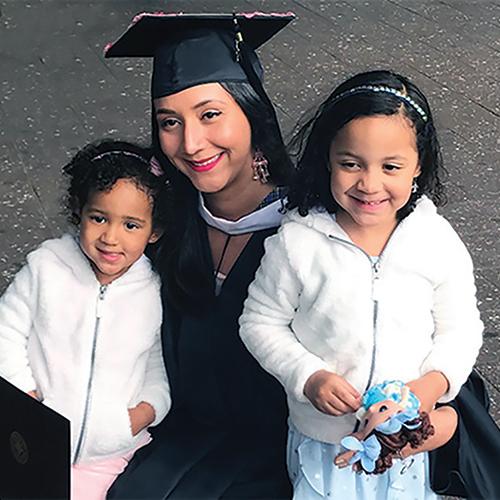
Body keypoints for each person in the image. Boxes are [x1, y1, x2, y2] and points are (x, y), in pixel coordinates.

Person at [239, 70, 484, 499]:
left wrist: (433, 385)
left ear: (418, 165)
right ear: (327, 159)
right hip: (323, 442)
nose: (369, 184)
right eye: (350, 163)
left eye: (391, 167)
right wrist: (308, 376)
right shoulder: (297, 242)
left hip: (406, 441)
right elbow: (259, 322)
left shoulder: (435, 241)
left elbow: (461, 328)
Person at [105, 12, 295, 499]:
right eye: (170, 122)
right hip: (175, 442)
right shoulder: (160, 225)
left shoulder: (311, 231)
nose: (190, 144)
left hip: (290, 458)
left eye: (210, 114)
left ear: (252, 111)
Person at [0, 139, 171, 500]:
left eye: (131, 225)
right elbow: (6, 332)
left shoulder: (151, 289)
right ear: (79, 211)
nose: (111, 237)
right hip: (32, 439)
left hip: (110, 453)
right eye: (99, 218)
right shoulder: (46, 267)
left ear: (154, 231)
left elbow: (154, 359)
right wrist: (26, 400)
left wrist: (147, 410)